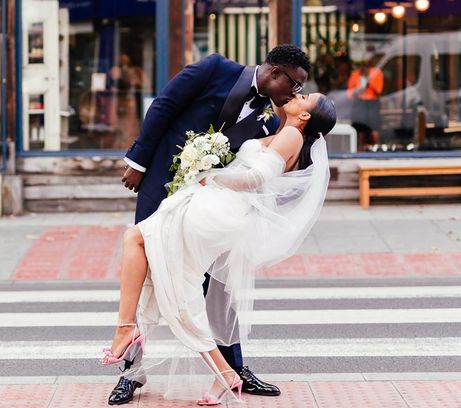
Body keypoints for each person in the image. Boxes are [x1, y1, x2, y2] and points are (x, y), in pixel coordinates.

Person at [102, 93, 336, 405]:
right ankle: (221, 372)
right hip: (219, 207)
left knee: (169, 275)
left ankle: (129, 331)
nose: (297, 94)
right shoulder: (281, 132)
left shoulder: (292, 134)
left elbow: (257, 177)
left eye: (305, 97)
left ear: (305, 117)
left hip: (219, 208)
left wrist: (212, 176)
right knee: (156, 260)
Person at [347, 56, 384, 151]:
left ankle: (379, 153)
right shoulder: (355, 74)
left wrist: (369, 80)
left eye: (368, 64)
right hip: (359, 103)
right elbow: (350, 94)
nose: (365, 66)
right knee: (360, 133)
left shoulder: (377, 73)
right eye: (363, 64)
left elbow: (379, 90)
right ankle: (358, 152)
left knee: (374, 131)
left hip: (372, 103)